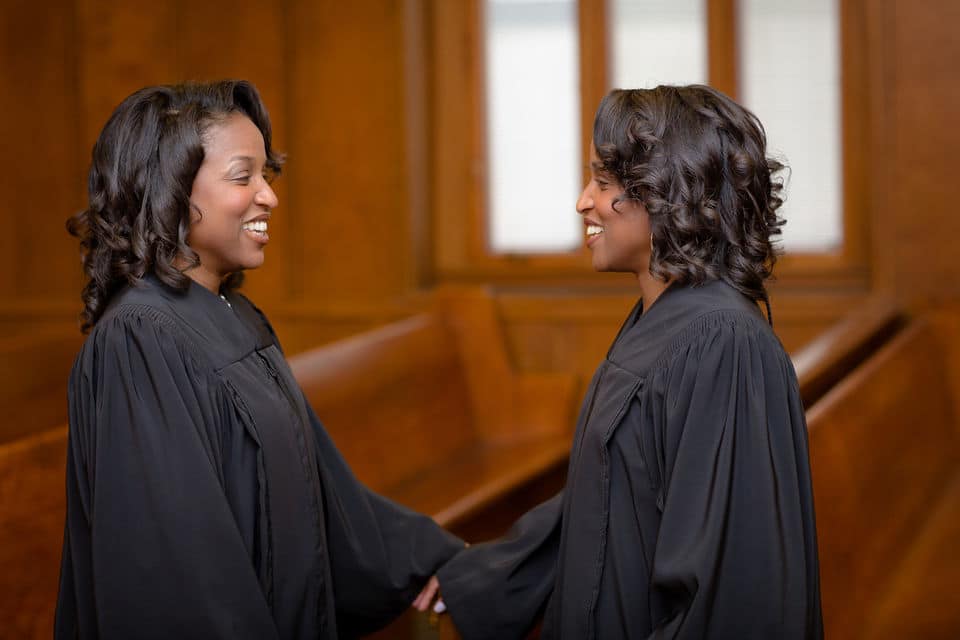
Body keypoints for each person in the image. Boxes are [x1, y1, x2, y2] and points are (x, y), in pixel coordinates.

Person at [56, 80, 463, 639]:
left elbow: (325, 500)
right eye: (243, 176)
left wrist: (437, 559)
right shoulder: (140, 340)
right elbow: (178, 580)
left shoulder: (235, 317)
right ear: (170, 189)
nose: (269, 195)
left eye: (266, 175)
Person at [433, 85, 823, 639]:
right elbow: (609, 498)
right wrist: (483, 577)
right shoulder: (662, 319)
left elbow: (732, 596)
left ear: (668, 191)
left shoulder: (722, 343)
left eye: (604, 182)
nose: (583, 201)